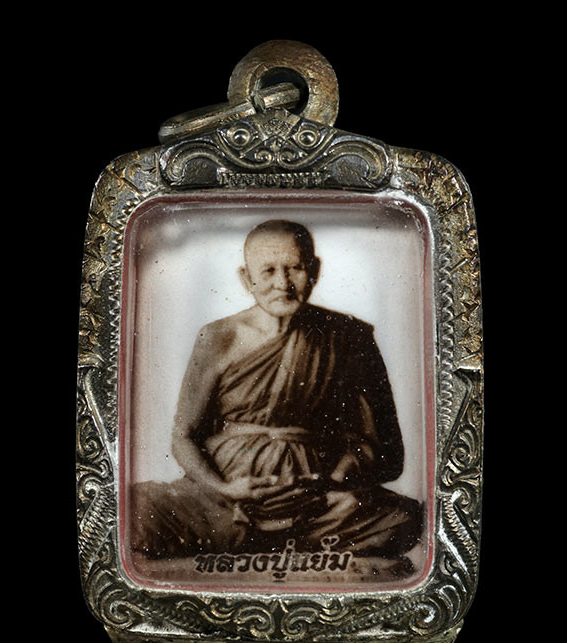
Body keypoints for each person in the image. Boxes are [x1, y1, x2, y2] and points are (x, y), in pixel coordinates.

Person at [130, 219, 422, 569]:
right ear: (246, 279)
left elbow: (382, 446)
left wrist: (331, 482)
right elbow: (183, 436)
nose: (282, 284)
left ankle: (261, 541)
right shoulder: (218, 337)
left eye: (294, 268)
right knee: (136, 509)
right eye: (268, 271)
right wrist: (224, 488)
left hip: (318, 504)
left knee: (407, 518)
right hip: (226, 499)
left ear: (314, 271)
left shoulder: (348, 336)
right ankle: (276, 542)